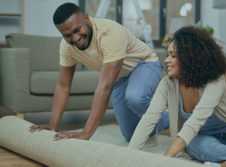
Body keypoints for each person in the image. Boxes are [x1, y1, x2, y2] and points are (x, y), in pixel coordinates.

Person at [128, 26, 226, 167]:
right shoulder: (167, 84)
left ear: (191, 58)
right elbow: (149, 119)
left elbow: (197, 120)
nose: (167, 60)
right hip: (201, 138)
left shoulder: (214, 80)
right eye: (168, 55)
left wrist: (166, 158)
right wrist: (129, 153)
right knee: (201, 148)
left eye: (173, 56)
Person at [29, 2, 169, 142]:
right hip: (120, 79)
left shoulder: (109, 33)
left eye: (78, 30)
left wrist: (85, 134)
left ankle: (173, 118)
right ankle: (157, 124)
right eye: (68, 35)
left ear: (86, 18)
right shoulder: (66, 47)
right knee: (131, 136)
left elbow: (105, 86)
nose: (75, 38)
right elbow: (63, 85)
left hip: (145, 64)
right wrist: (53, 124)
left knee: (135, 97)